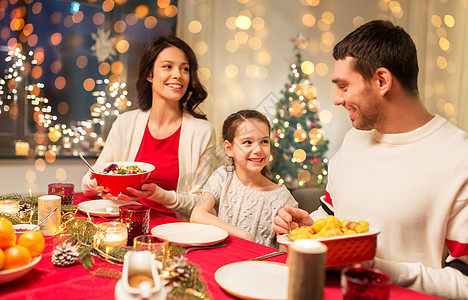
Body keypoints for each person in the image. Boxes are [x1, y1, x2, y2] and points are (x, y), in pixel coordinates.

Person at [273, 20, 468, 299]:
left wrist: (376, 270)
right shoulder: (354, 140)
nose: (337, 99)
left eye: (343, 86)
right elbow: (331, 215)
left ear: (382, 81)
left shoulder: (460, 160)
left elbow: (464, 281)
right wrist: (311, 228)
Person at [82, 36, 216, 221]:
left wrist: (157, 194)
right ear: (149, 74)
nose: (178, 74)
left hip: (177, 230)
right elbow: (90, 181)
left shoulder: (203, 132)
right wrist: (101, 184)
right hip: (126, 222)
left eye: (185, 69)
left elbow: (202, 203)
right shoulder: (125, 123)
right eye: (168, 66)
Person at [191, 110, 297, 247]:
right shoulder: (222, 177)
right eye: (248, 142)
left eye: (264, 141)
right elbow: (197, 215)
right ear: (229, 149)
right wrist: (244, 235)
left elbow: (284, 253)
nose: (258, 149)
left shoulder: (283, 198)